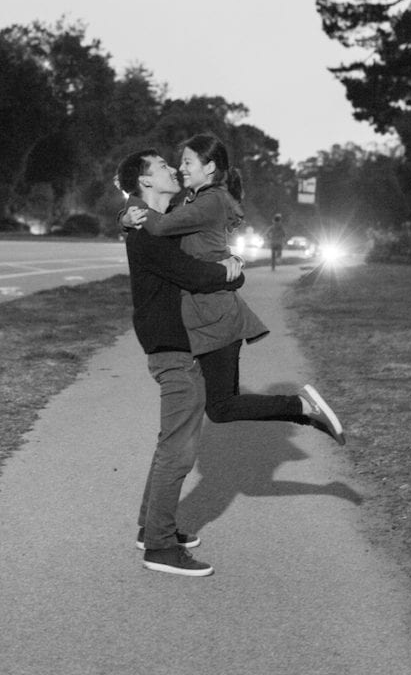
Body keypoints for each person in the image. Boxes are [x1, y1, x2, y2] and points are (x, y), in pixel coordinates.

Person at [121, 133, 345, 444]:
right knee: (221, 407)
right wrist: (128, 217)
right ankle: (304, 408)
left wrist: (133, 214)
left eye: (187, 162)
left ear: (209, 167)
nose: (178, 168)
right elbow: (174, 233)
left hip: (216, 315)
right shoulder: (192, 201)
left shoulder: (209, 200)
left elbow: (159, 228)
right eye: (177, 163)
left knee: (222, 406)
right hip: (210, 314)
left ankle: (303, 406)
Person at [115, 147, 245, 578]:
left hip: (168, 341)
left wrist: (126, 213)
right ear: (145, 181)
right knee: (179, 448)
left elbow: (189, 233)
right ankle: (160, 546)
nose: (173, 169)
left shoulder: (148, 220)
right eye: (162, 168)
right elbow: (190, 272)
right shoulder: (147, 231)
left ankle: (150, 526)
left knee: (169, 441)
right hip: (171, 345)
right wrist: (231, 272)